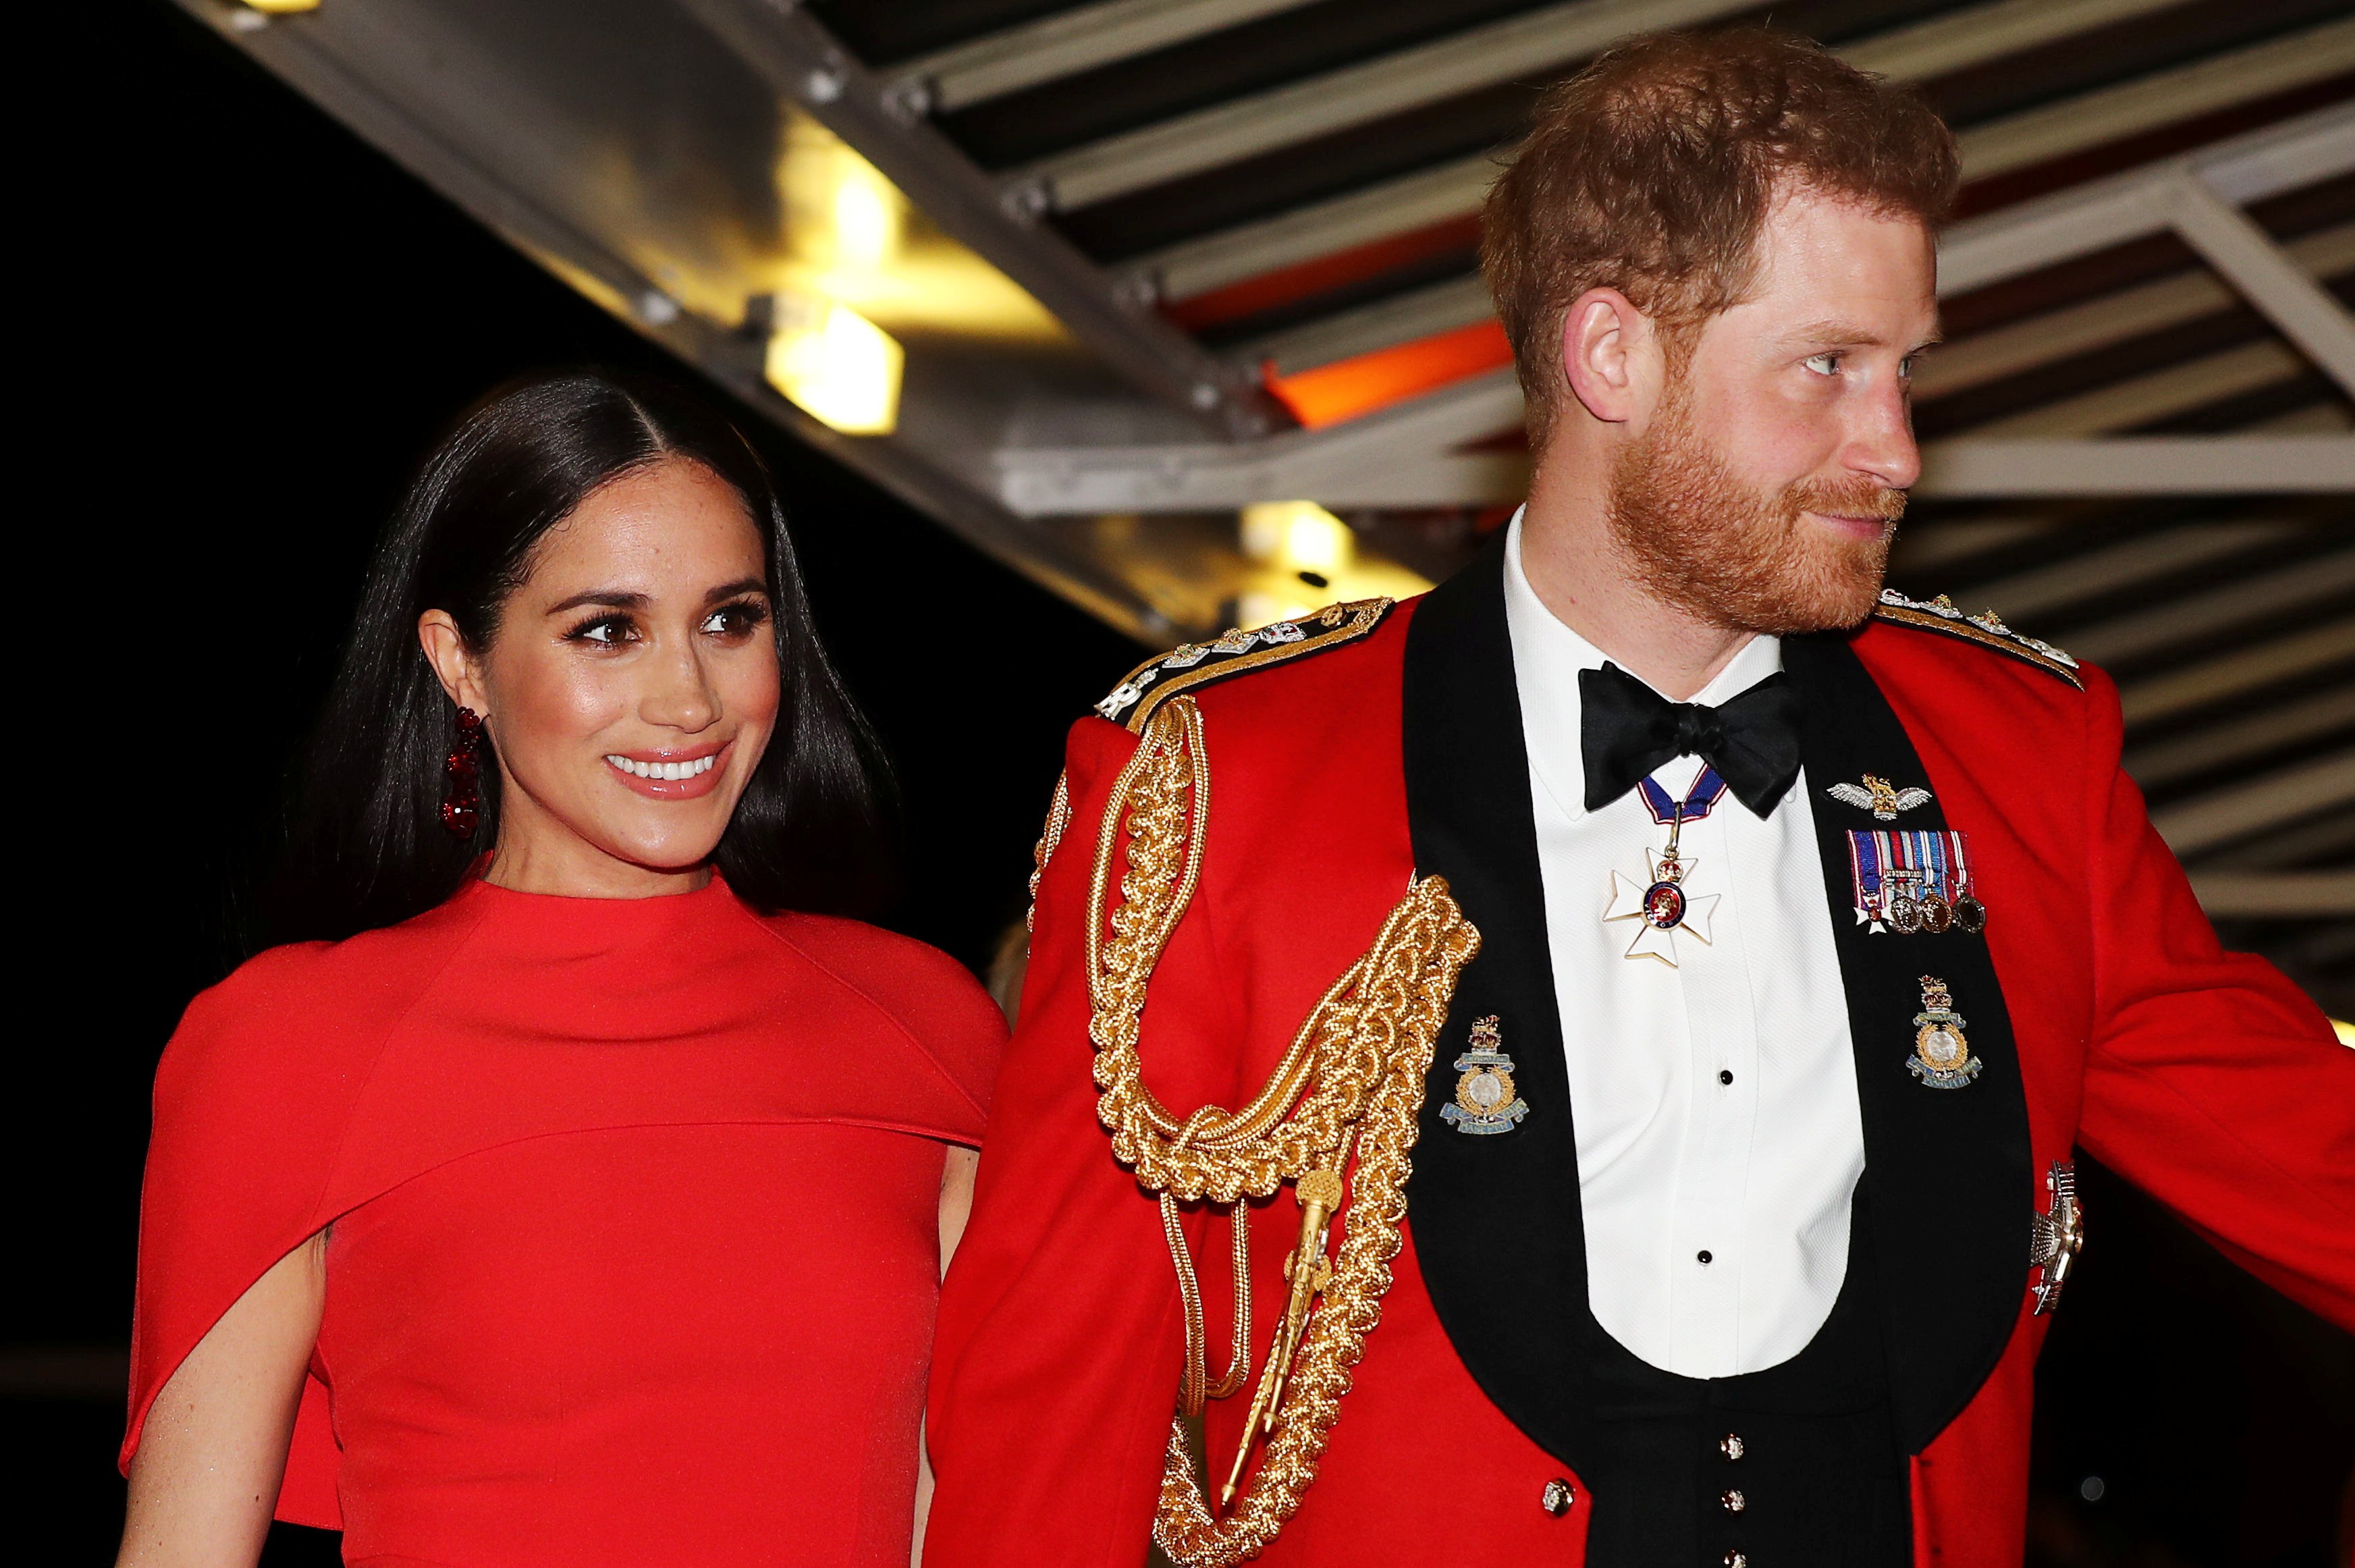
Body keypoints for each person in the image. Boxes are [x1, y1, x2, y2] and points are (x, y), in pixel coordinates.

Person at [921, 30, 2354, 1568]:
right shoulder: (1223, 780)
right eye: (1827, 366)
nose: (1895, 448)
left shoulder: (2016, 757)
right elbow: (1045, 1422)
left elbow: (2304, 1151)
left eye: (1904, 368)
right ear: (1611, 355)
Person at [118, 372, 1006, 1568]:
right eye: (607, 629)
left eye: (729, 620)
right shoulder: (291, 1043)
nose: (687, 698)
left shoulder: (921, 1026)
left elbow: (967, 1515)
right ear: (459, 662)